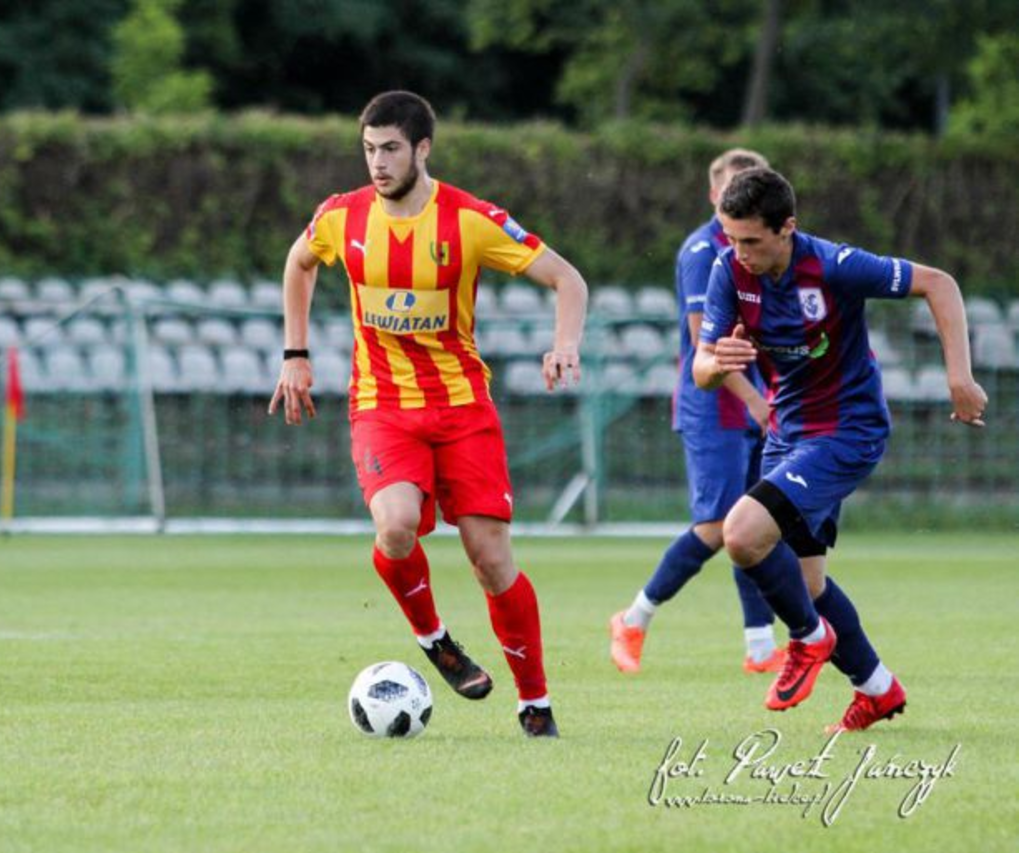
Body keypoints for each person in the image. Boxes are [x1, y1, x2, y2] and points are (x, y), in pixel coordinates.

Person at [268, 91, 588, 737]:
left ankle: (535, 703)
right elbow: (298, 264)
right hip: (382, 404)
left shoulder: (470, 219)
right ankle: (435, 639)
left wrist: (565, 345)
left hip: (462, 405)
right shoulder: (341, 216)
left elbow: (568, 280)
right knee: (395, 527)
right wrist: (295, 354)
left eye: (390, 149)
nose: (378, 163)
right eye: (369, 149)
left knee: (490, 558)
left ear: (422, 148)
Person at [694, 167, 987, 732]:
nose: (740, 252)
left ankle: (808, 639)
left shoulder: (833, 265)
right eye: (731, 238)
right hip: (788, 433)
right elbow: (703, 367)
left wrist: (959, 376)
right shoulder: (728, 270)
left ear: (787, 227)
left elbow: (939, 283)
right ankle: (877, 689)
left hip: (847, 430)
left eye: (751, 240)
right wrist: (716, 363)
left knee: (742, 534)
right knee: (805, 584)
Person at [610, 149, 786, 675]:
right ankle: (633, 619)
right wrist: (754, 399)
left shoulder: (763, 249)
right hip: (715, 406)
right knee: (715, 524)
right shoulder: (702, 251)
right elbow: (702, 346)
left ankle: (761, 647)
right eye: (732, 188)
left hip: (756, 403)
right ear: (714, 195)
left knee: (752, 525)